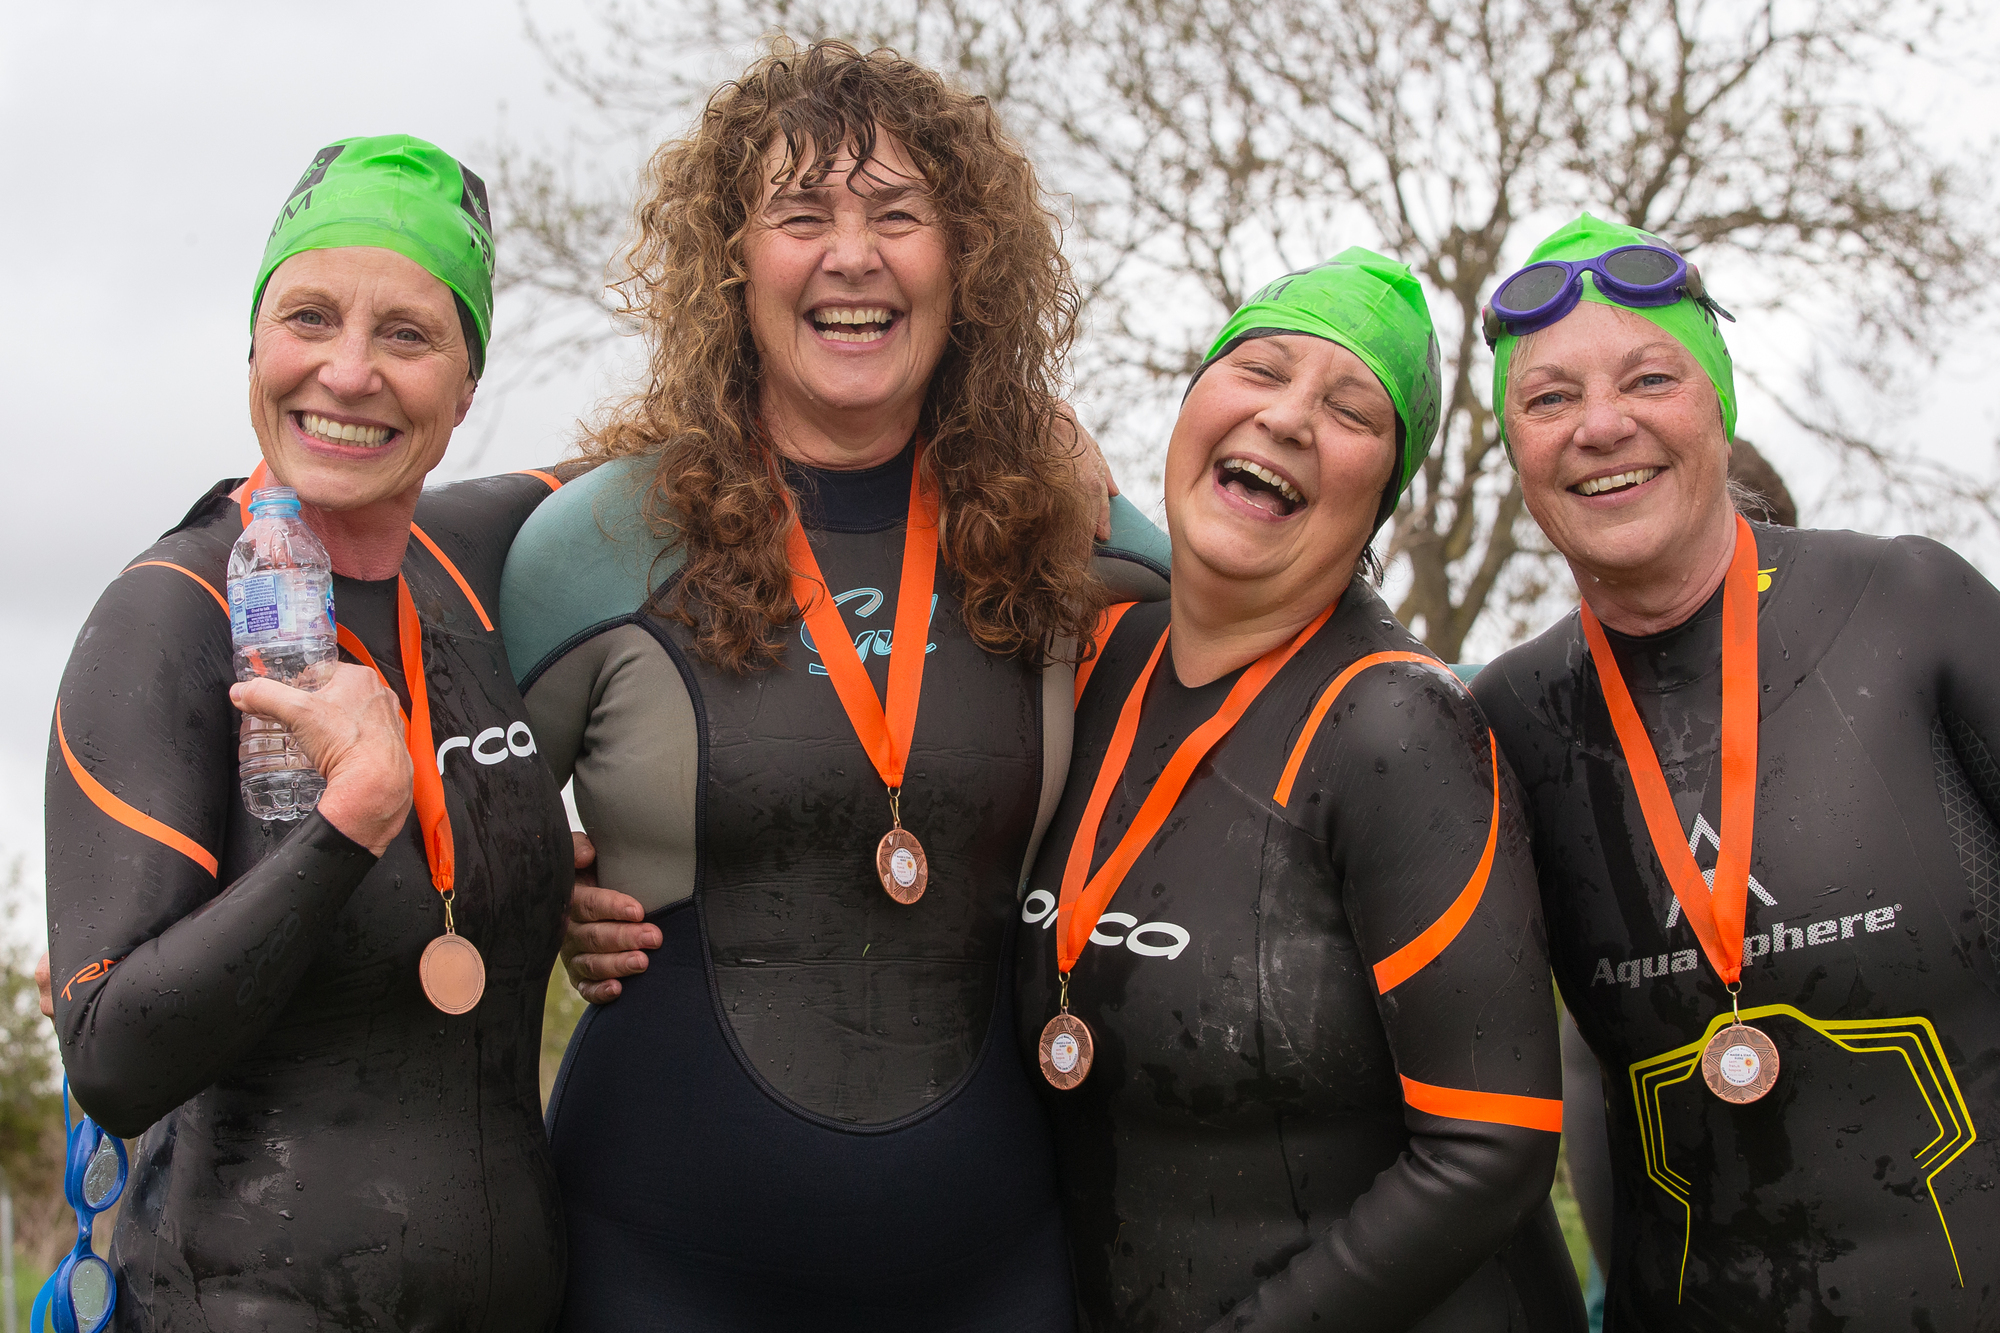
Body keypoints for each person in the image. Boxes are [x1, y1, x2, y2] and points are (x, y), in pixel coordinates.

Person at [498, 40, 1167, 1330]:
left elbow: (1253, 619)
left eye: (897, 215)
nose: (850, 255)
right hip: (658, 1256)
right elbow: (450, 842)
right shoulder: (591, 550)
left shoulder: (1056, 535)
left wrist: (1090, 476)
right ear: (731, 263)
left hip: (993, 1259)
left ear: (961, 260)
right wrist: (548, 890)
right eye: (800, 216)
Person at [44, 135, 577, 1330]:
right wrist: (347, 826)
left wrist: (567, 872)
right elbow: (110, 1055)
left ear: (467, 384)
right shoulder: (170, 615)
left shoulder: (479, 558)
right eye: (309, 317)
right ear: (253, 345)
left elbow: (714, 449)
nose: (347, 372)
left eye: (407, 334)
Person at [1014, 250, 1583, 1332]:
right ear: (1191, 406)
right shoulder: (1091, 660)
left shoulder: (1398, 726)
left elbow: (1488, 1146)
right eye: (1258, 369)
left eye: (1349, 409)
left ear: (1380, 497)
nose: (1285, 418)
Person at [1471, 213, 2000, 1329]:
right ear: (1514, 445)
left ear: (1716, 401)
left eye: (1647, 377)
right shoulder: (1500, 724)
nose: (1599, 425)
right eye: (1548, 397)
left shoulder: (1911, 609)